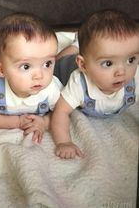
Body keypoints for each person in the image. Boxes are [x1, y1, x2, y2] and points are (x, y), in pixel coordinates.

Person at [51, 9, 139, 159]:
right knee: (56, 62)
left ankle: (82, 45)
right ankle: (76, 45)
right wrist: (64, 142)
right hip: (66, 66)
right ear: (83, 65)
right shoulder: (78, 82)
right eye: (108, 63)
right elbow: (61, 111)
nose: (122, 72)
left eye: (131, 60)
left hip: (87, 60)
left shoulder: (135, 77)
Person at [0, 13, 63, 143]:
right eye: (26, 66)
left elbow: (62, 112)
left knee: (7, 51)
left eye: (47, 64)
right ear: (0, 69)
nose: (39, 75)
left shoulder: (52, 88)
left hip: (7, 63)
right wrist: (17, 122)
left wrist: (44, 122)